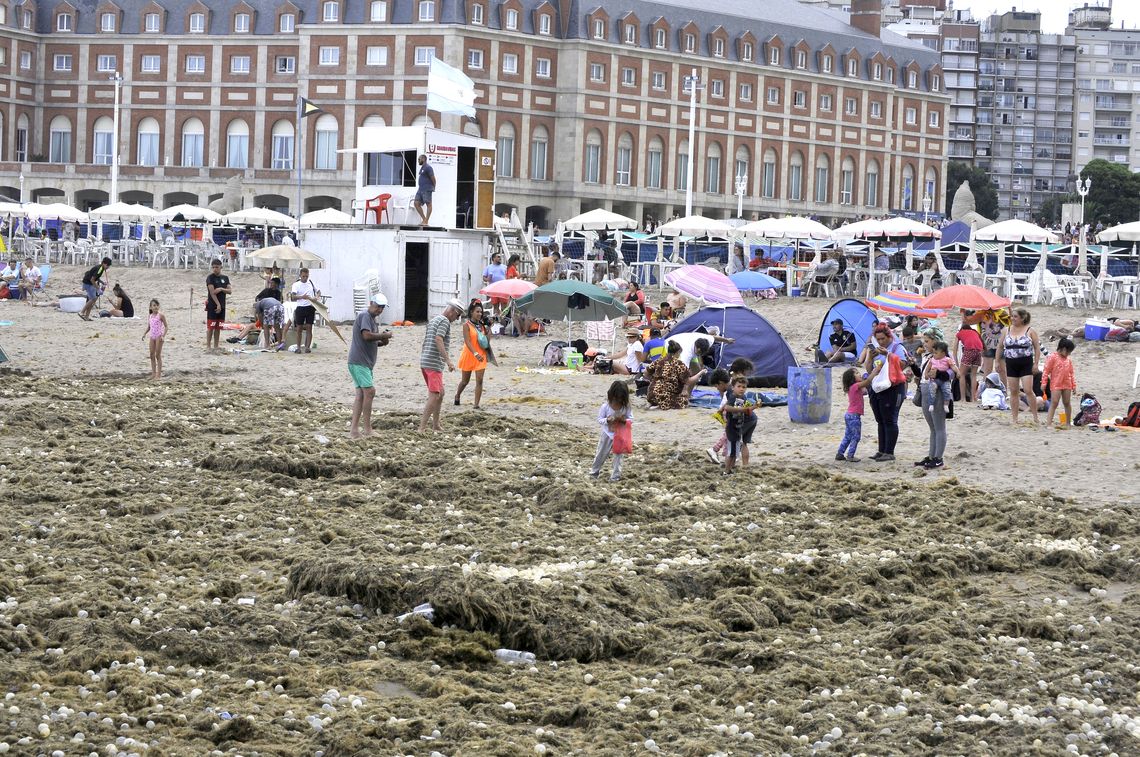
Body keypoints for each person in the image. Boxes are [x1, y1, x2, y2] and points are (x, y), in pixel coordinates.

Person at [348, 294, 392, 438]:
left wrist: (383, 340)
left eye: (382, 307)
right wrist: (383, 336)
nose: (380, 309)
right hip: (360, 361)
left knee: (361, 394)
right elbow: (366, 336)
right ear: (371, 303)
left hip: (361, 361)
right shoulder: (365, 316)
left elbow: (371, 341)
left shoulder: (371, 319)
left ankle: (355, 430)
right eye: (378, 306)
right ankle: (367, 429)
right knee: (369, 392)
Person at [864, 323, 909, 462]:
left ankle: (889, 452)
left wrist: (888, 354)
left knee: (890, 419)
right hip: (877, 386)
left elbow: (903, 364)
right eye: (878, 339)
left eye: (883, 338)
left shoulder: (897, 347)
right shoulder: (876, 349)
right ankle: (881, 450)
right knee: (880, 420)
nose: (881, 341)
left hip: (893, 387)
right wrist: (871, 357)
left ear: (889, 336)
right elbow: (868, 368)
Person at [419, 298, 463, 433]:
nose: (457, 318)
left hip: (425, 361)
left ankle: (436, 424)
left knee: (441, 393)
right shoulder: (444, 322)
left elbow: (428, 339)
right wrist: (448, 361)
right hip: (433, 363)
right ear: (452, 311)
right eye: (458, 315)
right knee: (434, 395)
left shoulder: (434, 319)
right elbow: (439, 339)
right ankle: (422, 428)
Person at [996, 307, 1041, 426]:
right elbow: (1000, 347)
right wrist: (996, 362)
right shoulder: (1006, 330)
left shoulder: (1030, 330)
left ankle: (1035, 416)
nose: (1013, 318)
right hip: (1010, 363)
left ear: (1022, 318)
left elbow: (1037, 347)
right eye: (1012, 316)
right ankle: (1015, 418)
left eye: (1015, 317)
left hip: (1026, 363)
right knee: (1014, 391)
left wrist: (1036, 363)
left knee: (1028, 390)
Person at [915, 332, 950, 470]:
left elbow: (952, 373)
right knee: (932, 427)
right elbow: (922, 373)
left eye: (927, 341)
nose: (924, 344)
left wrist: (939, 374)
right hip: (925, 389)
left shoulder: (944, 356)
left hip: (937, 391)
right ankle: (931, 456)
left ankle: (938, 458)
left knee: (939, 426)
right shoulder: (927, 356)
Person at [454, 301, 498, 409]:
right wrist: (475, 353)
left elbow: (486, 342)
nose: (479, 314)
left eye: (481, 312)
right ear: (471, 312)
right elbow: (467, 342)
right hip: (469, 354)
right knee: (465, 381)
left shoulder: (482, 325)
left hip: (481, 355)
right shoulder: (466, 325)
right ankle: (457, 395)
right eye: (477, 312)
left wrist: (489, 329)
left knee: (480, 380)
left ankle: (476, 405)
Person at [590, 381, 633, 482]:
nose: (618, 401)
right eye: (616, 399)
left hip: (620, 435)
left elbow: (631, 419)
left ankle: (615, 477)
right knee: (601, 453)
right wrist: (607, 420)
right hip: (607, 434)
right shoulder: (605, 407)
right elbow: (600, 419)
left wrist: (624, 420)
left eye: (620, 399)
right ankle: (594, 472)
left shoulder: (626, 407)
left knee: (618, 457)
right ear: (611, 396)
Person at [645, 339, 705, 409]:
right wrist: (700, 373)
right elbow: (689, 381)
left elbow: (646, 373)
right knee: (684, 402)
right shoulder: (679, 364)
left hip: (651, 393)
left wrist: (652, 380)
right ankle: (658, 406)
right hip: (665, 395)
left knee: (659, 395)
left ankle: (652, 403)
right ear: (678, 352)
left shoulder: (659, 360)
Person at [964, 308, 1008, 397]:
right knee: (987, 369)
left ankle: (1004, 392)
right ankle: (983, 392)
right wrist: (963, 312)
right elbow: (969, 322)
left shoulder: (1002, 312)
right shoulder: (981, 313)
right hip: (987, 345)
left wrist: (1009, 309)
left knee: (1002, 370)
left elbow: (1010, 322)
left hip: (1001, 344)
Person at [721, 376, 759, 475]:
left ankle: (730, 469)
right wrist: (741, 410)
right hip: (732, 428)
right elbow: (727, 407)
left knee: (735, 452)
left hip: (739, 427)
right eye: (739, 386)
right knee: (732, 452)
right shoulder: (733, 396)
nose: (741, 389)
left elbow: (747, 410)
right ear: (733, 387)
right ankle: (726, 471)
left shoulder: (743, 397)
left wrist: (755, 406)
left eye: (744, 387)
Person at [1042, 337, 1077, 427]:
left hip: (1067, 384)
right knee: (1054, 402)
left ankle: (1068, 422)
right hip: (1056, 384)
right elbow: (1046, 371)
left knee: (1067, 402)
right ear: (1063, 349)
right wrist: (1044, 383)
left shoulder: (1068, 360)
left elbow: (1071, 373)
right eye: (1068, 352)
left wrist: (1074, 385)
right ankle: (1049, 423)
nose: (1069, 354)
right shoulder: (1052, 357)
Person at [837, 367, 869, 462]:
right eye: (856, 373)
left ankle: (840, 453)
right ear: (852, 378)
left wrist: (863, 380)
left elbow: (864, 391)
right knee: (856, 436)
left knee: (848, 436)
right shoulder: (855, 386)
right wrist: (874, 372)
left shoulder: (854, 387)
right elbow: (867, 383)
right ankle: (850, 455)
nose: (859, 374)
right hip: (854, 416)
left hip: (849, 415)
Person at [951, 316, 983, 403]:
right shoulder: (975, 332)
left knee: (962, 375)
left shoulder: (960, 333)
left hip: (969, 351)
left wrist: (957, 365)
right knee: (973, 375)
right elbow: (983, 344)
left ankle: (963, 398)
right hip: (979, 351)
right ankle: (973, 398)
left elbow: (954, 350)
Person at [290, 267, 320, 354]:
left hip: (310, 306)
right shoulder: (296, 285)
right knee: (299, 328)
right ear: (300, 276)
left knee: (309, 327)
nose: (305, 278)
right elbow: (293, 297)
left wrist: (316, 297)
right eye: (303, 276)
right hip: (300, 307)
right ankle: (298, 347)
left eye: (306, 276)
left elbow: (318, 291)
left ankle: (307, 347)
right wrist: (302, 297)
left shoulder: (311, 283)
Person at [923, 341, 958, 414]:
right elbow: (927, 368)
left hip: (944, 380)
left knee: (947, 391)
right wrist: (926, 374)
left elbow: (953, 366)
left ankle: (946, 404)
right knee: (932, 390)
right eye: (933, 353)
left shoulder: (947, 359)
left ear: (943, 353)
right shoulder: (932, 359)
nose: (934, 355)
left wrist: (958, 372)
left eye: (936, 353)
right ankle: (931, 404)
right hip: (934, 379)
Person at [141, 298, 168, 380]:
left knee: (157, 355)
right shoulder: (150, 316)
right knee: (151, 355)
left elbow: (166, 327)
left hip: (159, 337)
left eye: (157, 305)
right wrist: (144, 334)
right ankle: (153, 374)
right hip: (152, 337)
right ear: (150, 307)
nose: (156, 307)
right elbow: (149, 327)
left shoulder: (161, 315)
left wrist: (163, 336)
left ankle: (158, 375)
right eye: (154, 305)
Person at [80, 257, 113, 321]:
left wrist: (102, 282)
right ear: (104, 263)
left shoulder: (101, 268)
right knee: (93, 299)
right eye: (107, 265)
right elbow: (92, 280)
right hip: (88, 283)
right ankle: (81, 312)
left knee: (92, 300)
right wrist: (98, 289)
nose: (108, 267)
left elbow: (96, 277)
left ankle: (86, 317)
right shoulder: (100, 269)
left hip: (89, 282)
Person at [413, 153, 436, 226]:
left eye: (419, 159)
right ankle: (424, 219)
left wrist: (433, 186)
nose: (418, 161)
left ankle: (426, 221)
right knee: (416, 203)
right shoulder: (422, 168)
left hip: (427, 189)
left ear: (423, 159)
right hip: (420, 189)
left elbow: (433, 178)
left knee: (428, 204)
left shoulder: (428, 167)